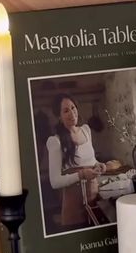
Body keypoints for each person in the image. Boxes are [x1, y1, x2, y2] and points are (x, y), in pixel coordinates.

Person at [46, 94, 107, 226]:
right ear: (59, 116)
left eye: (73, 108)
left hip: (94, 200)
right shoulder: (55, 141)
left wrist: (98, 164)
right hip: (73, 206)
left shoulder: (86, 130)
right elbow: (54, 182)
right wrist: (81, 175)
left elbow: (91, 160)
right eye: (66, 110)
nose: (72, 113)